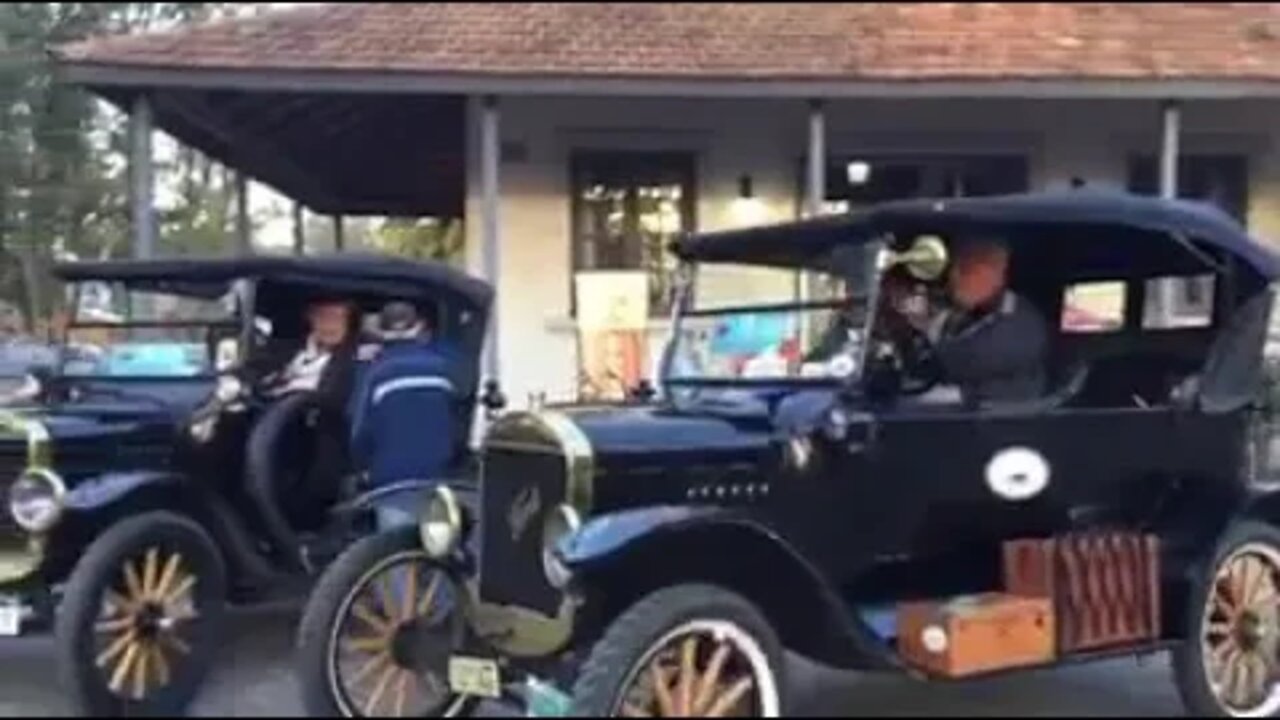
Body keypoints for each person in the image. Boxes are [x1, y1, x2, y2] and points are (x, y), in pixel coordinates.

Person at [350, 300, 460, 530]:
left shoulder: (376, 373)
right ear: (418, 328)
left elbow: (360, 432)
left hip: (392, 483)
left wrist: (361, 468)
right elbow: (455, 424)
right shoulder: (443, 369)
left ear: (382, 333)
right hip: (437, 480)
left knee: (396, 552)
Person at [925, 236, 1049, 405]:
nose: (954, 277)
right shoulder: (959, 310)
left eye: (966, 269)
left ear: (997, 274)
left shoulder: (1022, 324)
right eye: (954, 267)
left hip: (999, 420)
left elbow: (963, 362)